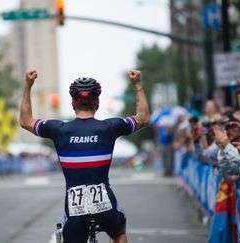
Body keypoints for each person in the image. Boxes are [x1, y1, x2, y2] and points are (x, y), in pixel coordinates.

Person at [20, 70, 149, 243]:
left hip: (74, 208)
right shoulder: (109, 127)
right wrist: (138, 85)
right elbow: (143, 118)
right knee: (118, 233)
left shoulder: (58, 129)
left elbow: (25, 121)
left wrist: (28, 86)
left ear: (73, 103)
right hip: (105, 203)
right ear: (97, 102)